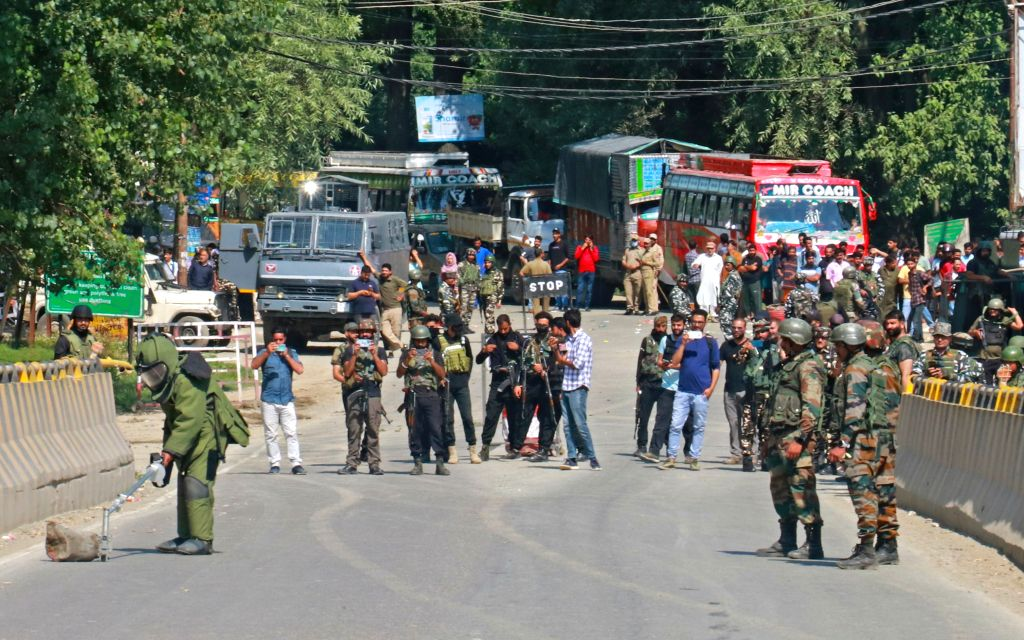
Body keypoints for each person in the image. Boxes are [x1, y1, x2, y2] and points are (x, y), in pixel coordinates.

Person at [136, 333, 249, 556]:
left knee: (197, 483)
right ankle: (186, 535)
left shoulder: (186, 380)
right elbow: (174, 421)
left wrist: (170, 451)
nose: (152, 377)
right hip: (189, 433)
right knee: (184, 480)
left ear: (166, 362)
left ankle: (203, 539)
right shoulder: (170, 382)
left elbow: (191, 419)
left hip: (207, 432)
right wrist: (166, 455)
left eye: (155, 370)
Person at [826, 323, 901, 569]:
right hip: (883, 437)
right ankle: (888, 545)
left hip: (863, 439)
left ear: (847, 345)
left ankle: (866, 549)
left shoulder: (856, 369)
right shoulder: (880, 366)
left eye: (838, 346)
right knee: (884, 491)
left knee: (863, 492)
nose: (836, 350)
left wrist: (843, 442)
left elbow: (855, 409)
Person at [754, 318, 826, 561]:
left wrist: (801, 439)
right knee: (781, 489)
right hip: (779, 438)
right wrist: (767, 441)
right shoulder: (788, 365)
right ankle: (787, 539)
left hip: (796, 440)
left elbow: (812, 407)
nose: (780, 342)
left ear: (795, 341)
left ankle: (813, 544)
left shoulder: (808, 367)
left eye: (785, 338)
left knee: (801, 489)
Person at [658, 309, 719, 471]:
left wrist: (711, 389)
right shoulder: (683, 340)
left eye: (700, 322)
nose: (697, 325)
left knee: (698, 426)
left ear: (705, 323)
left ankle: (694, 457)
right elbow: (675, 361)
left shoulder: (710, 342)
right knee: (676, 425)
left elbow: (716, 368)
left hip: (701, 392)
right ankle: (671, 456)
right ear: (690, 323)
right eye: (694, 322)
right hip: (683, 390)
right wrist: (684, 344)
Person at [337, 320, 388, 476]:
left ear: (373, 334)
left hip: (372, 393)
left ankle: (374, 464)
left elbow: (384, 371)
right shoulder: (349, 350)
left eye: (369, 332)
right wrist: (354, 354)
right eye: (363, 332)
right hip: (354, 393)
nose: (365, 335)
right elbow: (346, 372)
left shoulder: (379, 351)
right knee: (354, 429)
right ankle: (352, 463)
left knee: (373, 429)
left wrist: (374, 355)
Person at [252, 328, 305, 475]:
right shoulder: (264, 353)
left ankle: (296, 463)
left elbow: (300, 369)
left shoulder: (291, 353)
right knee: (271, 434)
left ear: (285, 339)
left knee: (291, 432)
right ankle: (274, 463)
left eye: (280, 340)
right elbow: (254, 365)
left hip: (286, 399)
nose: (278, 343)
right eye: (275, 340)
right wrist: (268, 352)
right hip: (269, 399)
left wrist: (287, 356)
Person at [398, 325, 449, 476]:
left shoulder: (435, 353)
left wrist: (432, 361)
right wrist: (407, 360)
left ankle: (439, 462)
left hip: (431, 395)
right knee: (415, 430)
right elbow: (400, 374)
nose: (420, 344)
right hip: (413, 395)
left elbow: (442, 374)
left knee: (435, 428)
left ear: (428, 340)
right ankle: (417, 462)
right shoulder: (407, 354)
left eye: (423, 341)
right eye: (418, 341)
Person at [555, 309, 600, 470]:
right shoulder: (568, 339)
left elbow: (577, 363)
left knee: (580, 423)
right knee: (568, 425)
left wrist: (561, 360)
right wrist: (556, 348)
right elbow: (563, 357)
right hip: (566, 385)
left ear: (568, 323)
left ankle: (592, 457)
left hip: (578, 386)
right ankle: (571, 457)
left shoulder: (584, 339)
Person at [476, 314, 525, 460]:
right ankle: (485, 446)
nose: (503, 332)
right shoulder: (493, 339)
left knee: (514, 416)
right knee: (491, 415)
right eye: (501, 329)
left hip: (514, 381)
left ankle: (514, 447)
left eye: (506, 328)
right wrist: (485, 351)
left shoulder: (517, 338)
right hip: (498, 383)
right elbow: (478, 360)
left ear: (510, 324)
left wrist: (518, 348)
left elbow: (528, 355)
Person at [521, 311, 563, 461]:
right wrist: (533, 366)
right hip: (533, 382)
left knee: (548, 416)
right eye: (539, 325)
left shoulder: (555, 341)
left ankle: (544, 448)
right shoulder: (530, 342)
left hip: (550, 383)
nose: (541, 328)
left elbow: (558, 361)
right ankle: (517, 444)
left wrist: (546, 369)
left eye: (544, 325)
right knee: (528, 414)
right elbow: (524, 361)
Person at [438, 314, 479, 464]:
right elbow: (436, 361)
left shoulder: (463, 340)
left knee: (467, 418)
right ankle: (452, 450)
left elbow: (470, 358)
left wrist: (466, 378)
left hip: (461, 384)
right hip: (447, 385)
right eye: (455, 327)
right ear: (449, 327)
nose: (458, 330)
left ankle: (473, 450)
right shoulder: (439, 341)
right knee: (448, 419)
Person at [720, 318, 756, 465]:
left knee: (748, 423)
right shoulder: (726, 346)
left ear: (745, 328)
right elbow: (716, 365)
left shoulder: (751, 346)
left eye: (739, 328)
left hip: (746, 391)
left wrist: (752, 350)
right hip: (729, 390)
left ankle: (752, 453)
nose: (736, 330)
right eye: (734, 328)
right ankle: (736, 453)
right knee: (733, 423)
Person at [633, 315, 668, 458]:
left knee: (664, 418)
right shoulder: (647, 340)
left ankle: (662, 446)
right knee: (643, 416)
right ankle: (642, 445)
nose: (660, 329)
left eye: (663, 326)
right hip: (647, 383)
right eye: (658, 326)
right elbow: (640, 360)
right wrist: (638, 381)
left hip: (663, 383)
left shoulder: (669, 341)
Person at [969, 297, 1023, 382]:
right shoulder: (981, 319)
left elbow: (1019, 326)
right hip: (984, 358)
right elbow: (970, 332)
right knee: (986, 383)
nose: (992, 311)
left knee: (1002, 381)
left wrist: (1015, 313)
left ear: (1000, 310)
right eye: (991, 309)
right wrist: (975, 332)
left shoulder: (1004, 320)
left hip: (1000, 359)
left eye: (995, 309)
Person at [911, 322, 983, 383]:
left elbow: (974, 376)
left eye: (943, 337)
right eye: (937, 336)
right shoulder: (924, 355)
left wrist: (949, 375)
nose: (939, 339)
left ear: (950, 338)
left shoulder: (960, 356)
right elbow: (913, 376)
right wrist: (926, 374)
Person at [883, 310, 919, 391]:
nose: (889, 327)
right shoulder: (895, 343)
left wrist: (905, 400)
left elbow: (906, 376)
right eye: (887, 324)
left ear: (902, 324)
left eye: (892, 323)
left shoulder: (904, 346)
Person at [377, 263, 406, 351]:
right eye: (382, 270)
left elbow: (405, 285)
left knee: (396, 332)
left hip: (396, 309)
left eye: (386, 271)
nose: (384, 272)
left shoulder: (394, 279)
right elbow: (371, 269)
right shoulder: (380, 278)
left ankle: (391, 349)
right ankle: (401, 345)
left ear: (390, 272)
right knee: (383, 330)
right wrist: (363, 257)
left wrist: (400, 294)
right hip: (385, 310)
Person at [693, 241, 723, 318]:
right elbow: (695, 263)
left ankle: (713, 312)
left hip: (714, 281)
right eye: (708, 248)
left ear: (715, 249)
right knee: (703, 296)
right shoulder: (702, 256)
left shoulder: (718, 258)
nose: (710, 250)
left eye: (711, 248)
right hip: (704, 281)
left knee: (714, 296)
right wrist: (696, 265)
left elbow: (720, 269)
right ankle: (704, 312)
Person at [478, 254, 504, 334]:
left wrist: (499, 300)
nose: (487, 264)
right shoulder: (485, 273)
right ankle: (488, 331)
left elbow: (500, 288)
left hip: (492, 297)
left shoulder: (498, 273)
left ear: (493, 263)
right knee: (487, 315)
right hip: (483, 297)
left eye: (489, 262)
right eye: (486, 262)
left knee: (489, 315)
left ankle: (490, 332)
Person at [640, 233, 664, 314]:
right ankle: (648, 308)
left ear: (656, 240)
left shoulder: (657, 248)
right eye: (650, 238)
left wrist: (659, 270)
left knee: (652, 290)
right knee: (647, 290)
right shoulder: (645, 250)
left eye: (653, 239)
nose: (651, 240)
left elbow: (660, 261)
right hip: (646, 272)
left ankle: (654, 308)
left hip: (654, 271)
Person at [574, 234, 599, 311]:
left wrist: (591, 249)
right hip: (582, 271)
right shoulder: (579, 247)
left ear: (591, 241)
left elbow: (596, 259)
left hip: (591, 271)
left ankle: (587, 306)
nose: (587, 241)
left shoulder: (594, 248)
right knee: (580, 289)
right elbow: (576, 256)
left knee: (589, 289)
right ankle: (577, 305)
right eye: (586, 240)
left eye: (589, 240)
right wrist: (583, 248)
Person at [717, 257, 742, 334]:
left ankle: (730, 340)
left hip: (728, 303)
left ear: (733, 265)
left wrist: (721, 304)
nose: (726, 267)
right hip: (731, 303)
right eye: (725, 265)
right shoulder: (733, 274)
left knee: (725, 323)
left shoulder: (732, 276)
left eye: (728, 265)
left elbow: (728, 293)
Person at [738, 244, 764, 317]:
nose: (752, 252)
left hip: (754, 281)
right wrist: (748, 267)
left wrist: (745, 267)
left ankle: (758, 316)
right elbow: (740, 269)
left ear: (755, 251)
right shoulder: (745, 259)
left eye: (753, 250)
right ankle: (748, 315)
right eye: (750, 250)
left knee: (757, 300)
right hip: (745, 282)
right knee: (746, 299)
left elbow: (754, 268)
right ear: (748, 251)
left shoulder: (758, 259)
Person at [548, 229, 571, 310]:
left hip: (562, 270)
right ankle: (558, 305)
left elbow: (568, 257)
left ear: (559, 234)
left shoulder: (564, 244)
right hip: (553, 270)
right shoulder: (551, 245)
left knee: (563, 288)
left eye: (556, 234)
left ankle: (565, 306)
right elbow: (549, 258)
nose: (554, 235)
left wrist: (560, 265)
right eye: (553, 234)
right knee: (556, 289)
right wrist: (549, 268)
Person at [621, 234, 644, 315]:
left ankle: (636, 308)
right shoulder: (627, 250)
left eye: (635, 240)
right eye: (632, 240)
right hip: (628, 273)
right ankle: (629, 307)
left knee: (638, 292)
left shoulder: (641, 250)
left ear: (638, 241)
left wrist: (636, 266)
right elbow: (623, 260)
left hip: (637, 273)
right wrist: (627, 265)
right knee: (628, 292)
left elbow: (643, 262)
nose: (633, 242)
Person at [457, 248, 481, 327]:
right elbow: (457, 275)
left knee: (471, 307)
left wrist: (479, 286)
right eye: (469, 255)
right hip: (465, 288)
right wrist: (461, 281)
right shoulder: (461, 264)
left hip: (473, 289)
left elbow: (478, 277)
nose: (471, 257)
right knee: (464, 307)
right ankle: (462, 324)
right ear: (467, 255)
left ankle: (467, 324)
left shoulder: (476, 266)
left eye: (473, 255)